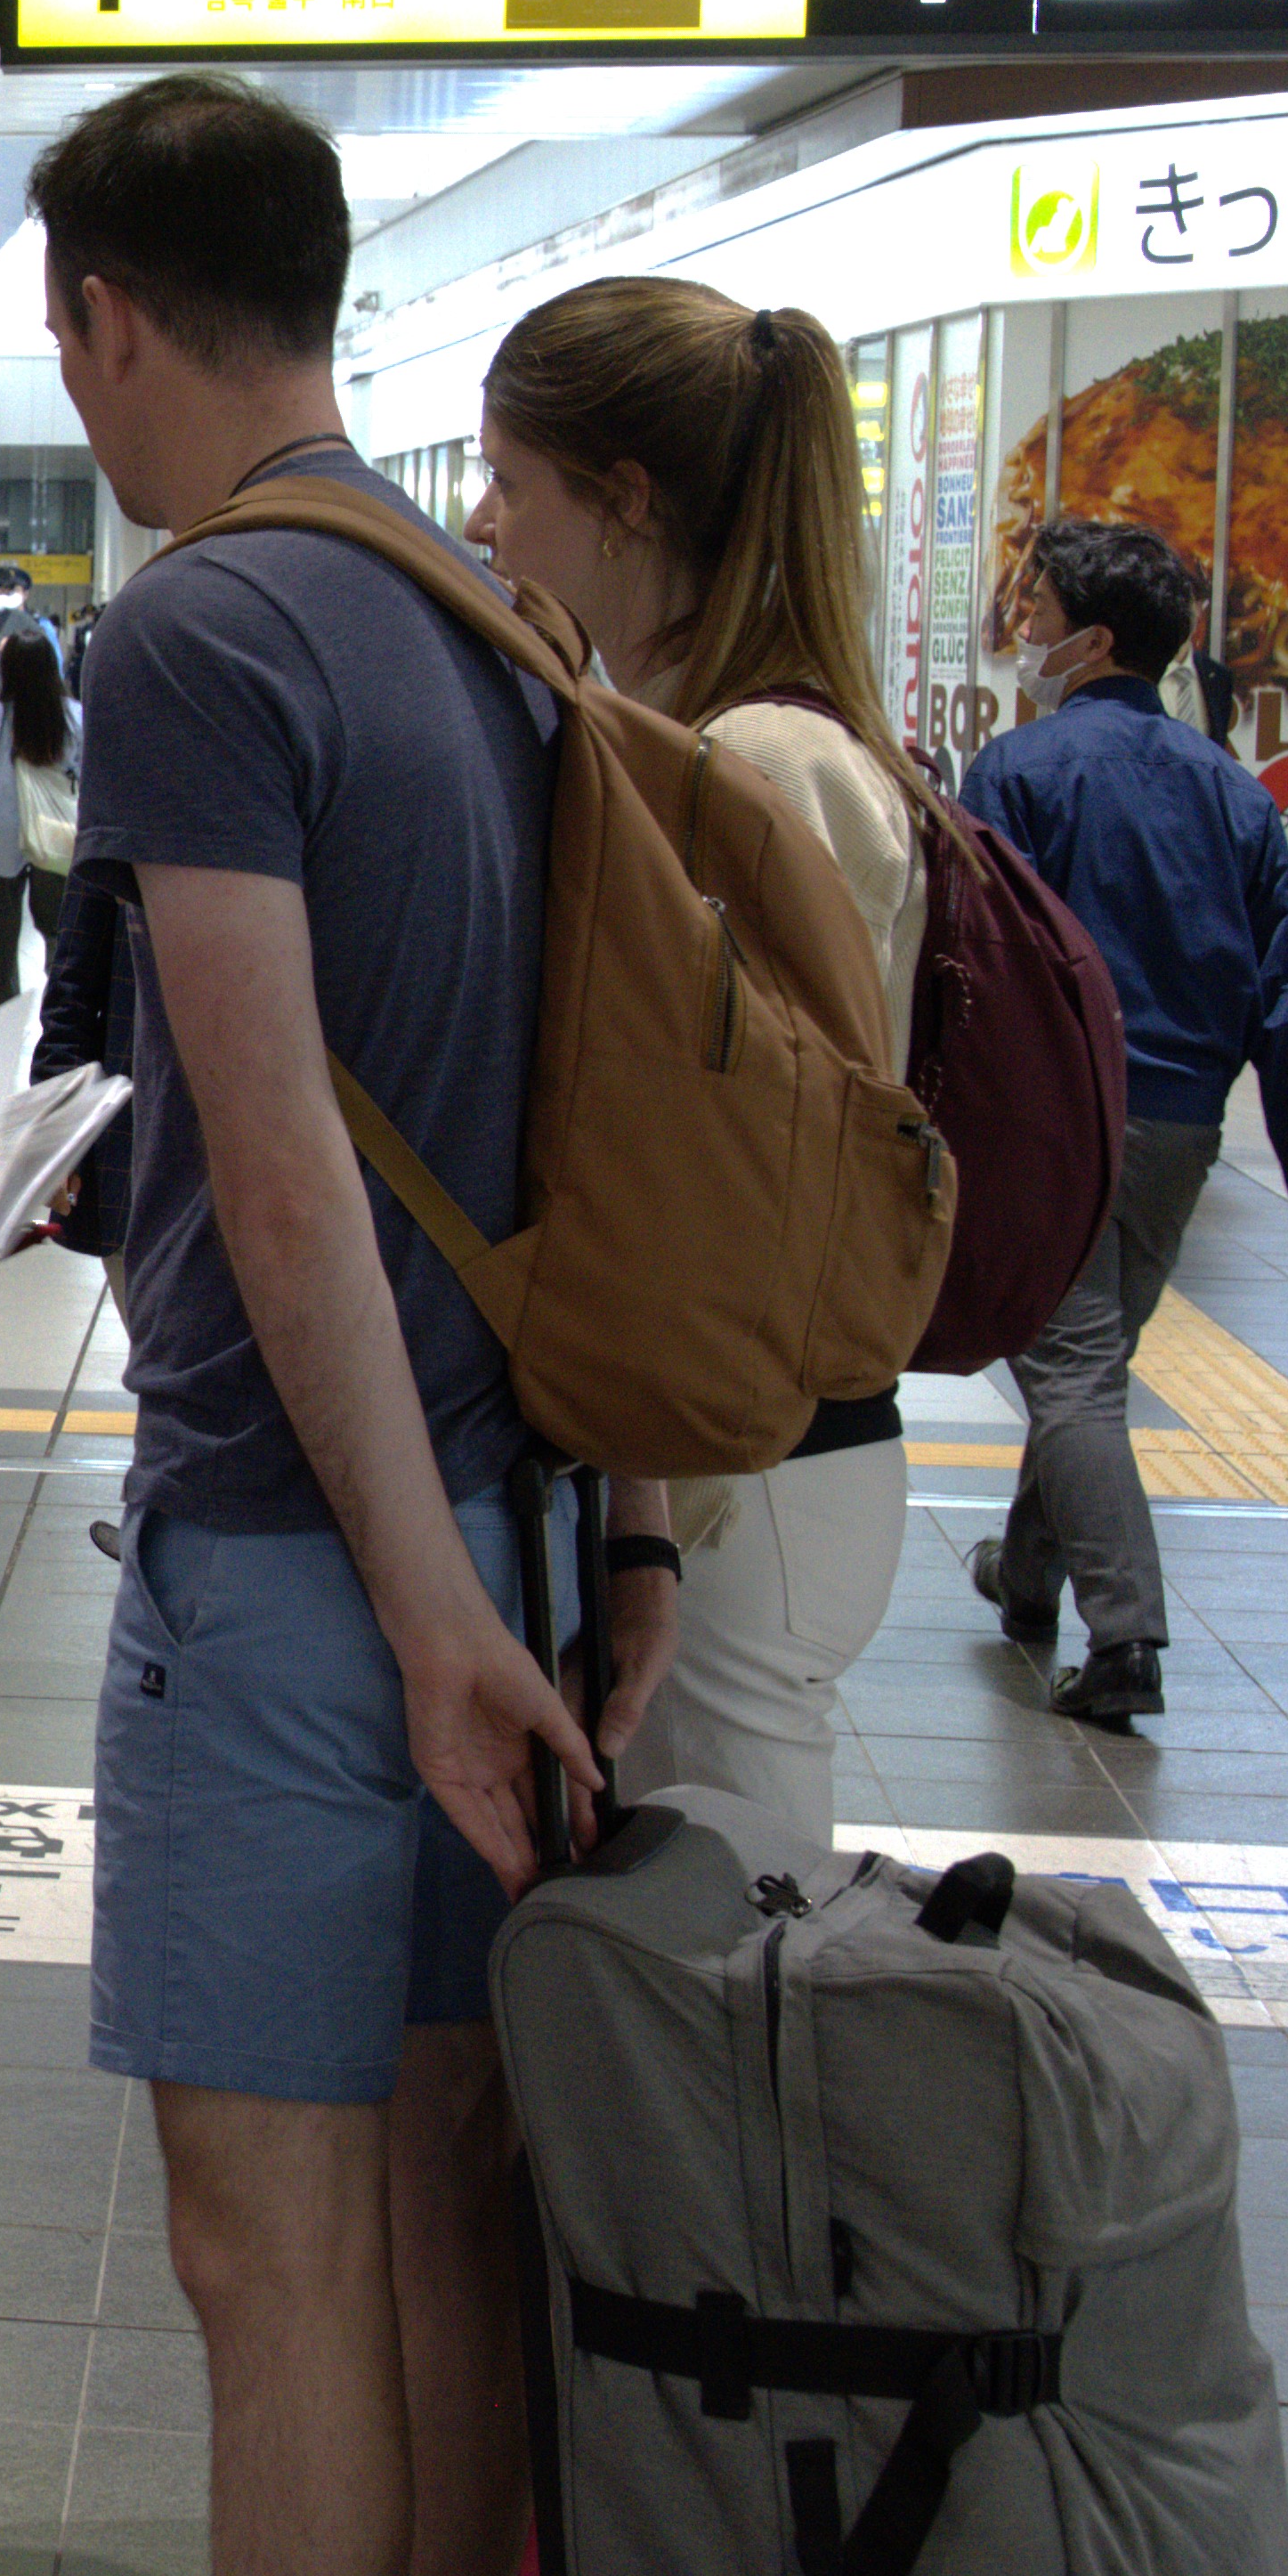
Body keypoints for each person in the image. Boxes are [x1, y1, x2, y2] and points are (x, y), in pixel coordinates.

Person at [4, 73, 630, 2576]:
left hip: (303, 1565)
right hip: (491, 1526)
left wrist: (396, 1623)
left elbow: (275, 1170)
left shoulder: (211, 624)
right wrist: (513, 1595)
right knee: (420, 2212)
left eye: (66, 335)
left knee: (266, 2257)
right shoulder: (464, 613)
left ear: (113, 313)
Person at [469, 277, 917, 1838]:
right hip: (738, 1452)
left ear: (623, 503)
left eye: (509, 482)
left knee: (725, 1988)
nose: (481, 521)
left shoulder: (748, 764)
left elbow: (701, 1156)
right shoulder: (735, 741)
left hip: (750, 1462)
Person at [957, 517, 1288, 1731]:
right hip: (1184, 1128)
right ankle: (1026, 1576)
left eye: (1036, 616)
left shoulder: (1019, 775)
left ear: (1093, 638)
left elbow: (980, 962)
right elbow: (1287, 981)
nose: (1022, 634)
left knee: (1073, 1376)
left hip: (1064, 1117)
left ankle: (1125, 1638)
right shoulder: (1232, 796)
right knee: (1088, 1362)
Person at [0, 625, 85, 1014]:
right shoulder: (75, 717)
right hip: (56, 832)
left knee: (0, 933)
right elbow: (88, 771)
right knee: (58, 930)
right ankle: (61, 1010)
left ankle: (1, 1014)